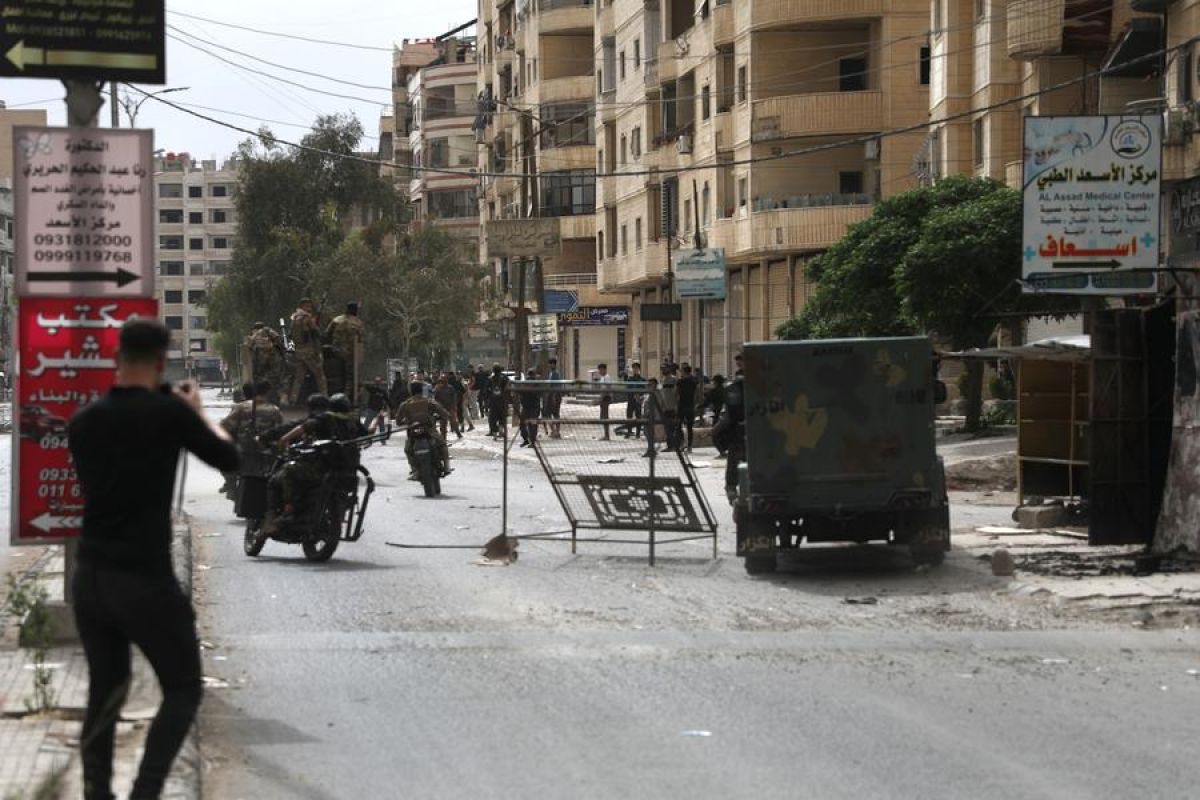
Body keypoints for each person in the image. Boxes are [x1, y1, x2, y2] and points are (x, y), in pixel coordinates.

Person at [67, 319, 239, 800]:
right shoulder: (170, 414)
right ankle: (145, 790)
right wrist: (197, 413)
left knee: (107, 689)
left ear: (116, 359)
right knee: (183, 688)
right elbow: (230, 459)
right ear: (162, 362)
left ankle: (96, 792)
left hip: (91, 577)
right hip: (144, 577)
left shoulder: (84, 421)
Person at [220, 380, 283, 480]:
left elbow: (224, 426)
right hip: (264, 452)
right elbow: (279, 431)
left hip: (243, 450)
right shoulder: (274, 410)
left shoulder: (241, 407)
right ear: (267, 392)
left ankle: (230, 483)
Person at [394, 382, 452, 478]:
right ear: (422, 390)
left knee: (408, 450)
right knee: (442, 444)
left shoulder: (405, 404)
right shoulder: (429, 401)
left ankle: (414, 470)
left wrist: (406, 422)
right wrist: (441, 417)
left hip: (413, 433)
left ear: (410, 391)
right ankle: (446, 467)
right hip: (429, 430)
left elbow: (398, 421)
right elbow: (444, 413)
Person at [713, 374, 746, 503]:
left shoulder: (733, 394)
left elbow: (725, 419)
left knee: (733, 465)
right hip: (754, 439)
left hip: (737, 437)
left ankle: (732, 491)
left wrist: (714, 431)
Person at [324, 302, 365, 396]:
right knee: (350, 376)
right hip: (349, 354)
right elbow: (360, 340)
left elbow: (327, 334)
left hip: (335, 351)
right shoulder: (358, 323)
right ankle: (347, 395)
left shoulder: (336, 320)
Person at [290, 297, 327, 399]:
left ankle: (293, 398)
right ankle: (325, 397)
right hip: (309, 352)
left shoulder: (294, 318)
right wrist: (315, 323)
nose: (309, 308)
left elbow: (291, 334)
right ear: (302, 306)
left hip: (298, 351)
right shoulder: (307, 317)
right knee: (320, 375)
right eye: (307, 306)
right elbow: (316, 333)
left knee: (299, 377)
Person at [245, 322, 284, 394]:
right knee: (274, 375)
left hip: (261, 358)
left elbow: (248, 347)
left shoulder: (254, 334)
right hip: (269, 357)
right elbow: (278, 339)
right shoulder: (267, 330)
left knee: (261, 375)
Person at [677, 363, 699, 451]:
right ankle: (689, 446)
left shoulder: (680, 382)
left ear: (684, 372)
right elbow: (696, 394)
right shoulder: (694, 381)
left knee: (678, 425)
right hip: (690, 406)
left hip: (682, 406)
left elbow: (677, 393)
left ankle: (682, 443)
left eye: (681, 371)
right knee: (689, 427)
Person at [659, 363, 681, 452]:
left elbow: (677, 393)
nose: (663, 370)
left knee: (674, 427)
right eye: (662, 369)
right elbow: (663, 394)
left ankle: (676, 445)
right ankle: (670, 445)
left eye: (664, 369)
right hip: (665, 408)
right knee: (667, 427)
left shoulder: (674, 379)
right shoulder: (663, 380)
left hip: (673, 407)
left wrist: (677, 405)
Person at [433, 375, 462, 439]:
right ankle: (444, 437)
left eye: (444, 379)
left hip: (450, 407)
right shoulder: (438, 388)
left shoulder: (450, 387)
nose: (443, 381)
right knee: (443, 423)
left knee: (453, 421)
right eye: (441, 380)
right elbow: (434, 397)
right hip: (442, 408)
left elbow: (454, 397)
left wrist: (454, 406)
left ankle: (458, 433)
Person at [641, 376, 664, 457]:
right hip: (648, 416)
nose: (649, 386)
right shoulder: (649, 393)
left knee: (650, 434)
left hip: (653, 416)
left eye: (650, 384)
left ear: (655, 384)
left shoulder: (657, 393)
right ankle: (650, 449)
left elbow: (658, 405)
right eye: (648, 384)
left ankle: (651, 450)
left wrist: (648, 413)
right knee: (647, 433)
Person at [518, 369, 542, 446]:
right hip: (526, 407)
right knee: (523, 424)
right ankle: (526, 439)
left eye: (531, 375)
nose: (530, 377)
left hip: (534, 407)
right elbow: (520, 392)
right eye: (529, 375)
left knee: (532, 425)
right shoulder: (525, 383)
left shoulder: (536, 383)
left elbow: (539, 394)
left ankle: (532, 441)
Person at [487, 363, 508, 439]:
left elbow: (486, 391)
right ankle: (501, 430)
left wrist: (487, 401)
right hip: (502, 401)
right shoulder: (504, 378)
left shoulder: (490, 379)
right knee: (502, 417)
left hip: (493, 402)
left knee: (493, 418)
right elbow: (508, 389)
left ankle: (495, 434)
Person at [543, 357, 562, 438]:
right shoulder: (552, 373)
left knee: (553, 414)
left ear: (553, 364)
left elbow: (555, 386)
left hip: (554, 396)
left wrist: (553, 397)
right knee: (551, 414)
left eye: (551, 364)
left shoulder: (555, 374)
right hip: (551, 395)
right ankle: (554, 431)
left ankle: (556, 431)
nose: (550, 366)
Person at [595, 362, 613, 440]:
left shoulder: (607, 377)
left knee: (605, 416)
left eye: (600, 370)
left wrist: (602, 398)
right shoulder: (602, 378)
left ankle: (607, 435)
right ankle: (605, 434)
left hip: (605, 398)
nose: (599, 371)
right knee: (603, 416)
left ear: (604, 369)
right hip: (602, 397)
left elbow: (607, 388)